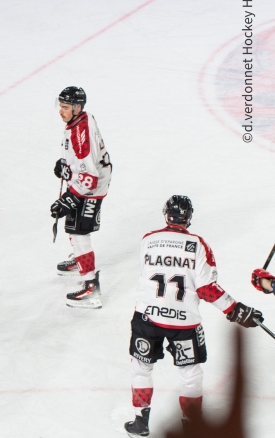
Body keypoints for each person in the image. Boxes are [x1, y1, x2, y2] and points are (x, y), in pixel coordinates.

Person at [124, 195, 263, 437]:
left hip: (147, 318)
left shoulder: (148, 239)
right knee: (190, 375)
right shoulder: (199, 245)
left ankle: (140, 422)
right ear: (188, 217)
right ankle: (191, 424)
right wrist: (236, 310)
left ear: (166, 214)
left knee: (141, 368)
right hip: (184, 323)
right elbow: (207, 289)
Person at [50, 86, 112, 308]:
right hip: (89, 180)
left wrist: (68, 199)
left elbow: (89, 179)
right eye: (60, 106)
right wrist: (66, 165)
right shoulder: (82, 119)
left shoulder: (80, 134)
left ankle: (91, 287)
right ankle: (79, 259)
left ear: (77, 108)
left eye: (65, 107)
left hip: (90, 187)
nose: (61, 111)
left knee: (78, 232)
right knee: (73, 225)